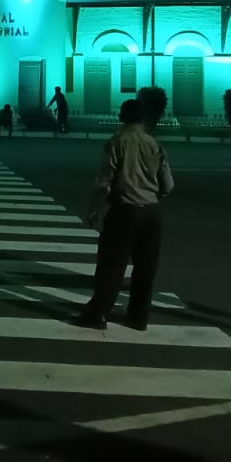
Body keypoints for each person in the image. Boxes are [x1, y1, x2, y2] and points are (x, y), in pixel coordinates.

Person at [71, 98, 173, 331]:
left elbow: (104, 182)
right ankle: (139, 317)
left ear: (121, 117)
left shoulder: (117, 142)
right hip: (153, 213)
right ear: (143, 119)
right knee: (146, 266)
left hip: (125, 211)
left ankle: (99, 313)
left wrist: (94, 207)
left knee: (112, 263)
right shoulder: (154, 144)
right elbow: (168, 183)